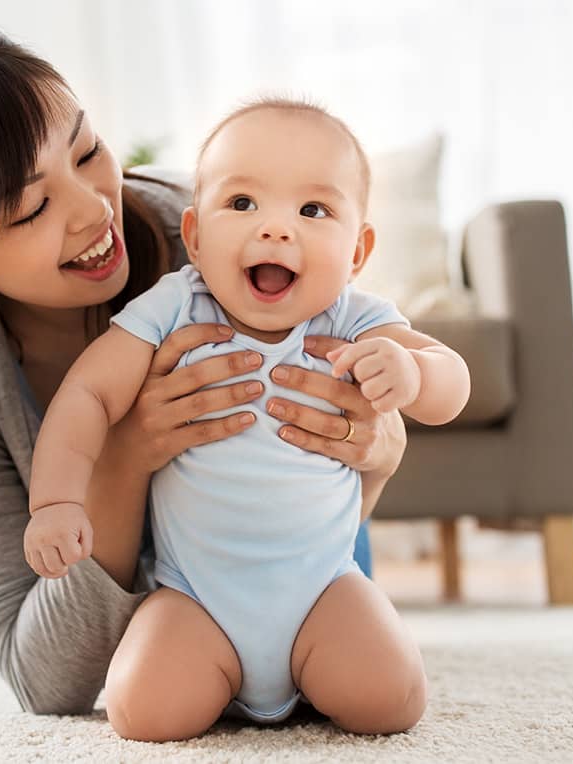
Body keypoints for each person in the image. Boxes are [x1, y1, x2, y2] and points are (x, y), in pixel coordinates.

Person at [0, 24, 416, 727]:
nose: (92, 208)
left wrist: (379, 453)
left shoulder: (220, 243)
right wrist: (122, 460)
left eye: (86, 151)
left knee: (375, 685)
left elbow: (361, 392)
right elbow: (43, 679)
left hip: (314, 583)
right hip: (177, 639)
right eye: (33, 208)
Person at [24, 99, 471, 740]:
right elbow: (87, 396)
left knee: (390, 700)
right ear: (196, 236)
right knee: (142, 713)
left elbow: (450, 381)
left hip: (324, 588)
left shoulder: (353, 317)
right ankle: (223, 675)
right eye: (242, 204)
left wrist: (415, 372)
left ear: (358, 250)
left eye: (313, 211)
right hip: (195, 598)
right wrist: (56, 502)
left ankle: (314, 669)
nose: (275, 230)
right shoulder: (175, 306)